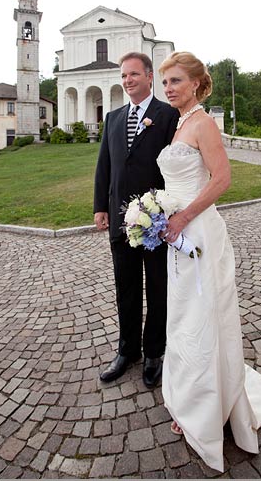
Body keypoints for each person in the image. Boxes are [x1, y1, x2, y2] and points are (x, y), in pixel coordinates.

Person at [157, 51, 261, 472]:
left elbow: (222, 179)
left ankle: (208, 410)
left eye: (176, 80)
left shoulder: (204, 123)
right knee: (181, 316)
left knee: (202, 315)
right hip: (177, 234)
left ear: (195, 83)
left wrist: (182, 216)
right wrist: (161, 215)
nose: (169, 88)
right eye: (166, 82)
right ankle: (187, 398)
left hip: (198, 232)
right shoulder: (180, 124)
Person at [94, 52, 179, 387]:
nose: (127, 80)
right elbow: (105, 167)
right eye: (123, 75)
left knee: (158, 288)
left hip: (156, 223)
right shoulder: (113, 118)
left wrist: (167, 212)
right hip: (119, 220)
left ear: (148, 77)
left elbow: (172, 169)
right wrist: (100, 206)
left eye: (133, 74)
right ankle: (127, 350)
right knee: (126, 288)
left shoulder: (167, 115)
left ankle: (154, 352)